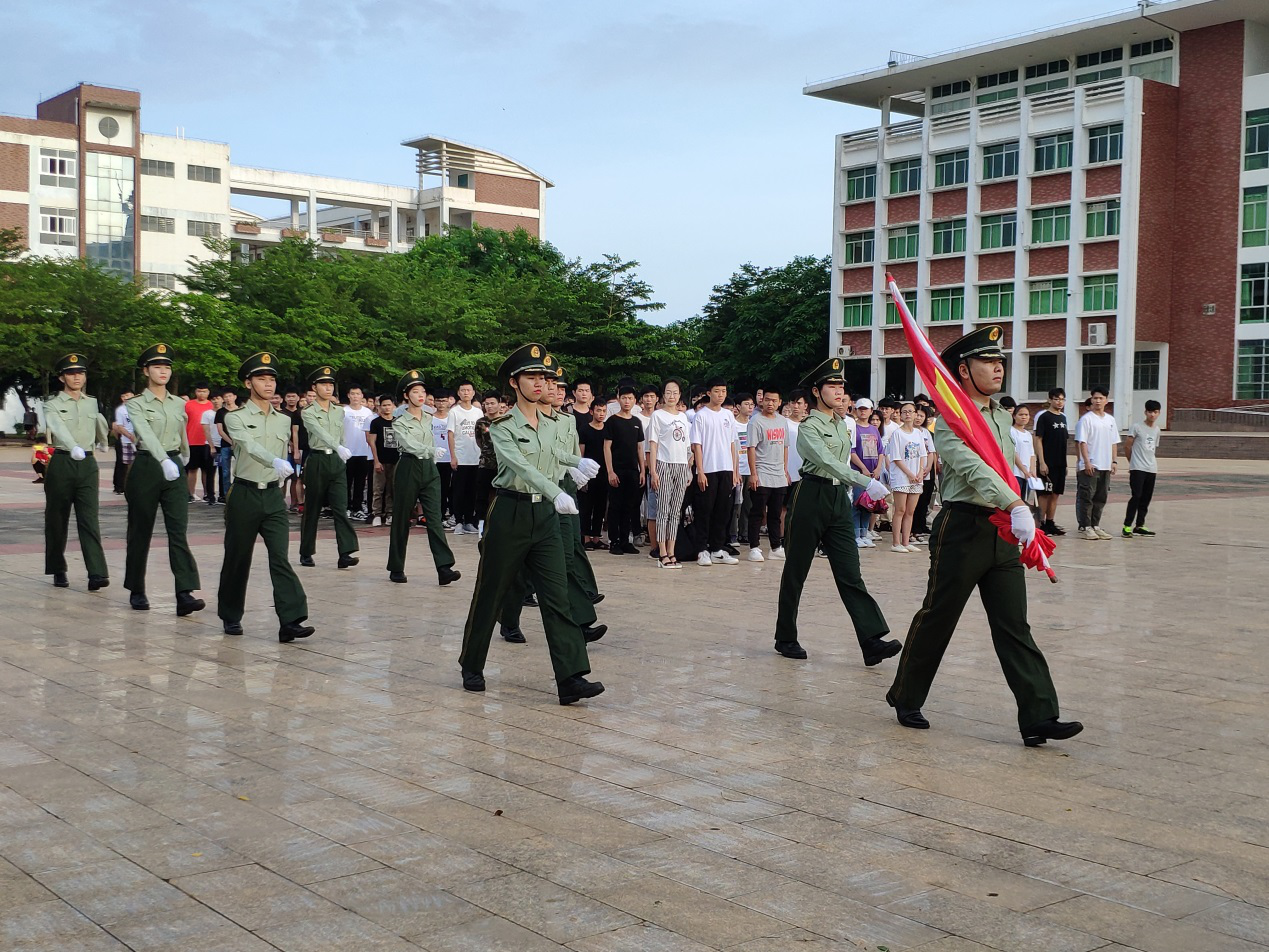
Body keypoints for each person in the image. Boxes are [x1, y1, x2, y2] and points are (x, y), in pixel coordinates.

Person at [886, 326, 1083, 747]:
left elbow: (1005, 466)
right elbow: (974, 468)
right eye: (987, 361)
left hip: (1002, 528)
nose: (998, 368)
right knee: (939, 617)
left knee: (1014, 625)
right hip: (963, 528)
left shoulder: (1000, 416)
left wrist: (1015, 507)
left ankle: (1039, 715)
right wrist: (1015, 503)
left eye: (1000, 361)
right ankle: (905, 696)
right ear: (963, 370)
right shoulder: (949, 420)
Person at [457, 344, 604, 706]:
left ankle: (571, 677)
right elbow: (520, 465)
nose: (540, 383)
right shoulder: (501, 427)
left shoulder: (552, 422)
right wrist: (556, 491)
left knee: (557, 595)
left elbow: (552, 452)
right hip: (511, 512)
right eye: (531, 376)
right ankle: (471, 663)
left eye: (544, 377)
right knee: (490, 591)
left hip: (547, 517)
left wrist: (575, 462)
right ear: (514, 382)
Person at [773, 357, 898, 664]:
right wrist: (865, 482)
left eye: (841, 385)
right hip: (811, 495)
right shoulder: (809, 427)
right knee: (796, 570)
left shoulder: (842, 424)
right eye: (832, 385)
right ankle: (785, 637)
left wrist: (856, 484)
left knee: (850, 572)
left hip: (838, 497)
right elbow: (826, 462)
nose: (839, 391)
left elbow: (840, 463)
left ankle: (871, 640)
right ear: (817, 392)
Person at [499, 363, 605, 644]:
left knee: (565, 557)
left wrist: (576, 468)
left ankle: (580, 622)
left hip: (562, 491)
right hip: (533, 495)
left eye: (557, 385)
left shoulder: (565, 421)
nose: (552, 389)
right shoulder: (521, 421)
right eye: (548, 383)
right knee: (521, 565)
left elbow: (566, 452)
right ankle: (508, 618)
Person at [217, 353, 314, 643]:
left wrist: (280, 472)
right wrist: (274, 460)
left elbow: (284, 451)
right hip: (244, 493)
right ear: (248, 383)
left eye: (271, 379)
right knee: (238, 557)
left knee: (280, 557)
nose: (268, 384)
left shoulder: (284, 420)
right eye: (261, 379)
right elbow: (247, 445)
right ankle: (230, 614)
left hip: (273, 495)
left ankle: (291, 619)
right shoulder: (235, 417)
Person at [123, 343, 206, 615]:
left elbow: (181, 431)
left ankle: (185, 592)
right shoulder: (135, 403)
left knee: (178, 530)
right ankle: (136, 588)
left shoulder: (179, 403)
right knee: (140, 530)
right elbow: (144, 433)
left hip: (173, 465)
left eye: (167, 367)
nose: (163, 372)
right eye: (157, 367)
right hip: (148, 464)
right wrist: (162, 460)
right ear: (146, 371)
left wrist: (183, 455)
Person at [386, 371, 461, 586]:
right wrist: (431, 450)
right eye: (415, 391)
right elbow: (408, 444)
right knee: (402, 518)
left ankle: (444, 567)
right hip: (409, 466)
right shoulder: (399, 422)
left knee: (435, 518)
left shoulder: (429, 418)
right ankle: (396, 567)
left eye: (423, 391)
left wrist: (432, 456)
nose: (420, 395)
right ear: (406, 395)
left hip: (429, 468)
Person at [43, 353, 110, 591]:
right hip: (63, 461)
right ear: (62, 378)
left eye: (80, 373)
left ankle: (97, 572)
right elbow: (57, 427)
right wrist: (73, 447)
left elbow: (99, 421)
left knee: (89, 518)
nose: (77, 377)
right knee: (57, 519)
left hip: (88, 464)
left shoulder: (91, 402)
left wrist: (103, 441)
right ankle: (57, 568)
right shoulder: (52, 404)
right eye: (71, 373)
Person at [298, 366, 360, 569]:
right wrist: (338, 447)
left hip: (336, 460)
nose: (328, 388)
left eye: (331, 384)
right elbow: (319, 432)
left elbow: (340, 434)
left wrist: (341, 450)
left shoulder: (339, 411)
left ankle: (345, 552)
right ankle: (306, 551)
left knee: (341, 507)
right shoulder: (308, 412)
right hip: (317, 460)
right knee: (313, 508)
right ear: (314, 387)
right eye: (323, 384)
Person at [691, 378, 740, 566]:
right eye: (717, 391)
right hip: (708, 469)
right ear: (709, 393)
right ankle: (702, 549)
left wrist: (734, 470)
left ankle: (717, 549)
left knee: (723, 510)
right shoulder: (701, 415)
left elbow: (732, 444)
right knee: (705, 510)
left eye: (723, 391)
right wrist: (700, 471)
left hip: (726, 468)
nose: (720, 395)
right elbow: (697, 445)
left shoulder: (728, 416)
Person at [648, 379, 692, 568]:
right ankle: (662, 553)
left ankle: (672, 551)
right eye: (668, 392)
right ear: (663, 395)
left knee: (675, 511)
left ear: (680, 395)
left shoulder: (683, 417)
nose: (671, 396)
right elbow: (653, 445)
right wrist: (653, 471)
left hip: (681, 466)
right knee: (663, 510)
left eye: (675, 392)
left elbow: (688, 447)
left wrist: (689, 470)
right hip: (663, 464)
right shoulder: (657, 416)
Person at [745, 388, 789, 562]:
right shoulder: (755, 421)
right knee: (757, 512)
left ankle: (776, 547)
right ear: (762, 401)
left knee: (776, 513)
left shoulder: (782, 421)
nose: (770, 403)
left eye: (774, 400)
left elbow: (785, 447)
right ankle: (754, 547)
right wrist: (753, 474)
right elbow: (751, 448)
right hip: (762, 473)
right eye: (767, 400)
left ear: (779, 402)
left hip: (779, 475)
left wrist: (785, 470)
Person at [603, 383, 645, 554]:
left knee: (630, 506)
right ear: (618, 399)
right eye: (624, 398)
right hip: (617, 470)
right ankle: (614, 541)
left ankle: (625, 540)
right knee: (615, 506)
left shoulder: (636, 422)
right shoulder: (612, 421)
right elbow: (607, 447)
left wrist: (642, 470)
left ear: (635, 401)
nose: (627, 401)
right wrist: (610, 471)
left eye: (630, 398)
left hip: (633, 470)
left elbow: (640, 448)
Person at [1075, 386, 1118, 541]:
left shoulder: (1110, 420)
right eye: (1095, 398)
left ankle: (1095, 525)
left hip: (1106, 465)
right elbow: (1082, 442)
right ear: (1091, 400)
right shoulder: (1086, 419)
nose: (1098, 401)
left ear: (1106, 400)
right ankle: (1085, 527)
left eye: (1101, 398)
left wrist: (1114, 461)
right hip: (1091, 465)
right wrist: (1086, 462)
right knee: (1087, 496)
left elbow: (1114, 442)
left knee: (1101, 497)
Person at [885, 401, 928, 553]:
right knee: (900, 510)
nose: (908, 414)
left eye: (910, 411)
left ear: (916, 414)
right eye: (904, 412)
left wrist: (920, 472)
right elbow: (896, 458)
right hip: (901, 476)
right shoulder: (897, 433)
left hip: (916, 477)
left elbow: (923, 454)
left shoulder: (919, 433)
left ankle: (906, 541)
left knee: (910, 511)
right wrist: (910, 474)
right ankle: (896, 543)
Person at [448, 380, 483, 534]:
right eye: (463, 390)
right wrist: (453, 456)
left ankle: (469, 521)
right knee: (458, 491)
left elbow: (482, 434)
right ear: (458, 393)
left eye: (469, 390)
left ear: (473, 393)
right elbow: (450, 434)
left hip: (475, 458)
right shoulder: (454, 412)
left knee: (472, 492)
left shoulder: (478, 412)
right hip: (460, 458)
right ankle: (458, 521)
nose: (466, 393)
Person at [1123, 400, 1162, 538]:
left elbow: (1152, 449)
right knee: (1136, 496)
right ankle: (1127, 525)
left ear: (1159, 413)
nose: (1152, 415)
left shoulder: (1157, 430)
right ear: (1145, 412)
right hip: (1137, 467)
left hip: (1151, 468)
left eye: (1155, 412)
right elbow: (1127, 446)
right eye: (1150, 412)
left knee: (1146, 498)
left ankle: (1140, 525)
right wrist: (1132, 462)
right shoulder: (1136, 427)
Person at [1032, 388, 1068, 536]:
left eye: (1062, 399)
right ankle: (1040, 524)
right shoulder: (1043, 417)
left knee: (1055, 494)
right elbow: (1038, 439)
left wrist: (1065, 464)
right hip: (1048, 462)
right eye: (1056, 399)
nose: (1059, 402)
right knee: (1044, 493)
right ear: (1050, 400)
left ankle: (1050, 522)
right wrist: (1042, 461)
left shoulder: (1063, 418)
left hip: (1060, 463)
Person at [851, 400, 884, 548]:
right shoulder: (853, 428)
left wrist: (878, 468)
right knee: (857, 504)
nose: (863, 411)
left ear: (871, 411)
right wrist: (863, 468)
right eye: (860, 409)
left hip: (872, 474)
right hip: (858, 473)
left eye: (866, 409)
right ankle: (856, 535)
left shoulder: (874, 430)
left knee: (868, 505)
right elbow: (851, 451)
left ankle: (864, 534)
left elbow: (880, 450)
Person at [578, 401, 609, 549]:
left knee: (600, 506)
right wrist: (581, 475)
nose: (601, 414)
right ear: (591, 412)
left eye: (603, 411)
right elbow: (581, 453)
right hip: (588, 474)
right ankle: (585, 538)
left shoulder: (608, 429)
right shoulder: (584, 429)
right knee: (586, 506)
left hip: (604, 473)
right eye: (598, 410)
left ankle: (596, 537)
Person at [342, 385, 374, 520]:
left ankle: (358, 507)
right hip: (347, 451)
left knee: (360, 482)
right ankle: (346, 507)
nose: (355, 396)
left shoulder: (368, 413)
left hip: (364, 451)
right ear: (348, 395)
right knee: (346, 481)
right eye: (353, 394)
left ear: (362, 396)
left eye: (358, 394)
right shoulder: (343, 411)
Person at [367, 394, 399, 528]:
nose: (387, 408)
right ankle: (377, 514)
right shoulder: (376, 422)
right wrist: (376, 460)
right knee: (378, 489)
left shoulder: (398, 422)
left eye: (389, 405)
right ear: (379, 407)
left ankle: (390, 513)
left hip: (396, 460)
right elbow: (372, 442)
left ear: (394, 406)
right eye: (384, 405)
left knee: (392, 488)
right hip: (381, 460)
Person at [636, 384, 660, 556]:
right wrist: (642, 463)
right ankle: (637, 531)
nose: (649, 400)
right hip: (639, 465)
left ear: (657, 398)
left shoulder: (660, 417)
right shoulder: (637, 418)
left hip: (657, 467)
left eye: (652, 396)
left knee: (654, 504)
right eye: (646, 396)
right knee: (637, 501)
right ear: (641, 399)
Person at [474, 391, 501, 534]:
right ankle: (481, 525)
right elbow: (479, 441)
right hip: (485, 463)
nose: (489, 406)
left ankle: (498, 524)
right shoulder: (481, 423)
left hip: (502, 465)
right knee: (482, 495)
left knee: (500, 496)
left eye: (492, 403)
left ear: (499, 404)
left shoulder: (505, 421)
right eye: (487, 404)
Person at [910, 405, 937, 541]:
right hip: (913, 472)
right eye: (917, 415)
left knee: (924, 501)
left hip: (927, 472)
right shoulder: (907, 431)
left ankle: (920, 527)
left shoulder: (926, 432)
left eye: (922, 416)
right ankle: (912, 530)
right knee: (913, 502)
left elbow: (931, 452)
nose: (918, 418)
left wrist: (928, 468)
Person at [184, 383, 214, 503]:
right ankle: (190, 494)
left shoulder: (212, 405)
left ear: (208, 392)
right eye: (199, 391)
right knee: (192, 469)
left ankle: (207, 494)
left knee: (207, 469)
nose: (201, 394)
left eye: (204, 391)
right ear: (195, 392)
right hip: (192, 440)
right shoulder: (188, 404)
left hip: (208, 442)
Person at [280, 387, 304, 513]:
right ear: (284, 398)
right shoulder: (280, 414)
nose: (291, 399)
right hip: (285, 449)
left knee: (296, 477)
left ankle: (294, 503)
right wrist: (291, 444)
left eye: (293, 396)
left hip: (299, 449)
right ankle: (281, 503)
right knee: (283, 477)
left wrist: (297, 447)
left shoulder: (302, 413)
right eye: (288, 396)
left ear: (298, 398)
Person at [1009, 404, 1037, 501]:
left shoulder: (1028, 434)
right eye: (1021, 414)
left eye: (1026, 414)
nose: (1024, 417)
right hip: (1016, 473)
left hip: (1027, 475)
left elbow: (1032, 454)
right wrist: (1024, 471)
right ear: (1014, 416)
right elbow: (1013, 453)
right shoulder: (1011, 431)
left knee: (1024, 501)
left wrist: (1032, 471)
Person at [214, 388, 237, 502]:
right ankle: (227, 495)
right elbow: (220, 430)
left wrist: (237, 442)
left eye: (230, 396)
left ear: (235, 397)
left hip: (240, 444)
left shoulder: (241, 410)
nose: (228, 399)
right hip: (225, 445)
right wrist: (231, 442)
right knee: (225, 471)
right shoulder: (220, 412)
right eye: (226, 397)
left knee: (241, 470)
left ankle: (238, 493)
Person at [111, 391, 135, 495]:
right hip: (124, 439)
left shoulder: (138, 407)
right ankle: (120, 486)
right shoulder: (120, 409)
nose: (125, 397)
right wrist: (128, 436)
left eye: (127, 395)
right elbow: (116, 426)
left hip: (137, 440)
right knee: (123, 464)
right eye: (123, 396)